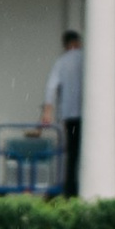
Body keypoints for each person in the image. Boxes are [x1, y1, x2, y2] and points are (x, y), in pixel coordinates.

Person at [41, 30, 85, 197]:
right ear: (77, 42)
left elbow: (51, 86)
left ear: (66, 45)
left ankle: (70, 191)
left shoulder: (62, 62)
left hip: (70, 114)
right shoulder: (88, 59)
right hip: (89, 115)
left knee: (72, 154)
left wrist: (48, 111)